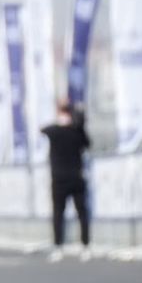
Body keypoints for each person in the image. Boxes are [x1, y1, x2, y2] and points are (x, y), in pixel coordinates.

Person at [41, 101, 92, 263]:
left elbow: (43, 129)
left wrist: (62, 122)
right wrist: (78, 124)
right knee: (81, 213)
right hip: (75, 177)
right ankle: (84, 247)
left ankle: (59, 247)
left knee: (60, 214)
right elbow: (87, 143)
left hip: (61, 179)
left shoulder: (55, 130)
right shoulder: (76, 131)